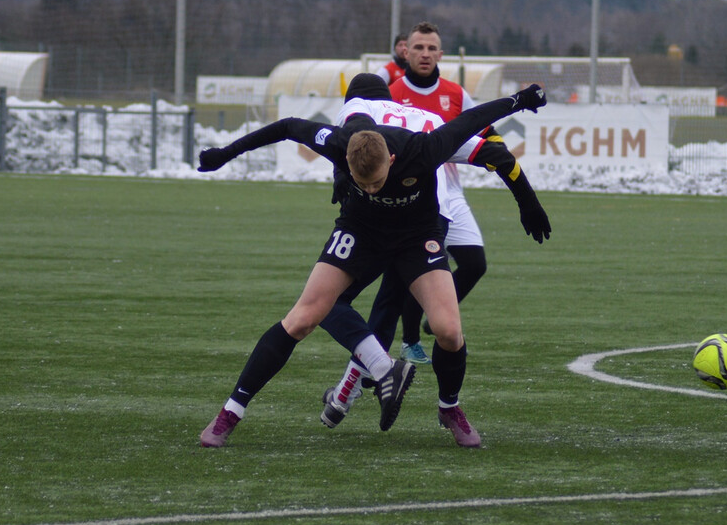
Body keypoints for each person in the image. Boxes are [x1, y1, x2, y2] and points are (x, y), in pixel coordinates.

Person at [196, 75, 548, 447]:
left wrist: (522, 106)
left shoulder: (423, 149)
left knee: (447, 330)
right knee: (303, 317)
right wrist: (224, 154)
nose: (370, 188)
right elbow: (286, 128)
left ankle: (449, 408)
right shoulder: (340, 142)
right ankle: (230, 413)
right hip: (362, 230)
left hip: (416, 234)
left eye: (377, 182)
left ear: (392, 160)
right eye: (361, 183)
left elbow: (475, 119)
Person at [318, 70, 551, 447]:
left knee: (366, 303)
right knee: (399, 307)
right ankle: (366, 392)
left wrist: (339, 179)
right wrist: (527, 200)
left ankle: (355, 389)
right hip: (421, 219)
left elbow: (314, 138)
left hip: (404, 222)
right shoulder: (419, 122)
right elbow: (493, 149)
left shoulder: (357, 117)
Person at [391, 21, 488, 364]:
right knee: (411, 270)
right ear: (406, 50)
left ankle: (437, 318)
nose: (425, 54)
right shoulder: (390, 93)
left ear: (441, 54)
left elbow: (486, 132)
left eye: (432, 48)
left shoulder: (456, 94)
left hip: (449, 192)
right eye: (419, 47)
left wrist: (501, 160)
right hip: (409, 197)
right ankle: (409, 340)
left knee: (475, 262)